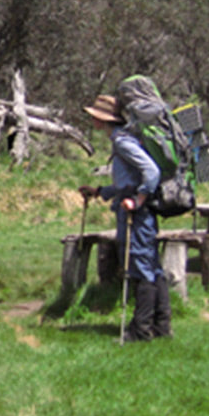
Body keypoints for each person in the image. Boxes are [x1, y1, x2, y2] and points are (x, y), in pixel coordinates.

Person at [79, 93, 172, 341]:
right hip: (137, 210)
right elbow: (126, 183)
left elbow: (151, 172)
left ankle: (140, 331)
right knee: (153, 267)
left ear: (103, 120)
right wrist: (100, 192)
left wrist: (138, 199)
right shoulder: (124, 140)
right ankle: (161, 327)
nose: (93, 121)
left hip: (136, 214)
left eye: (95, 117)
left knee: (140, 268)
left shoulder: (122, 142)